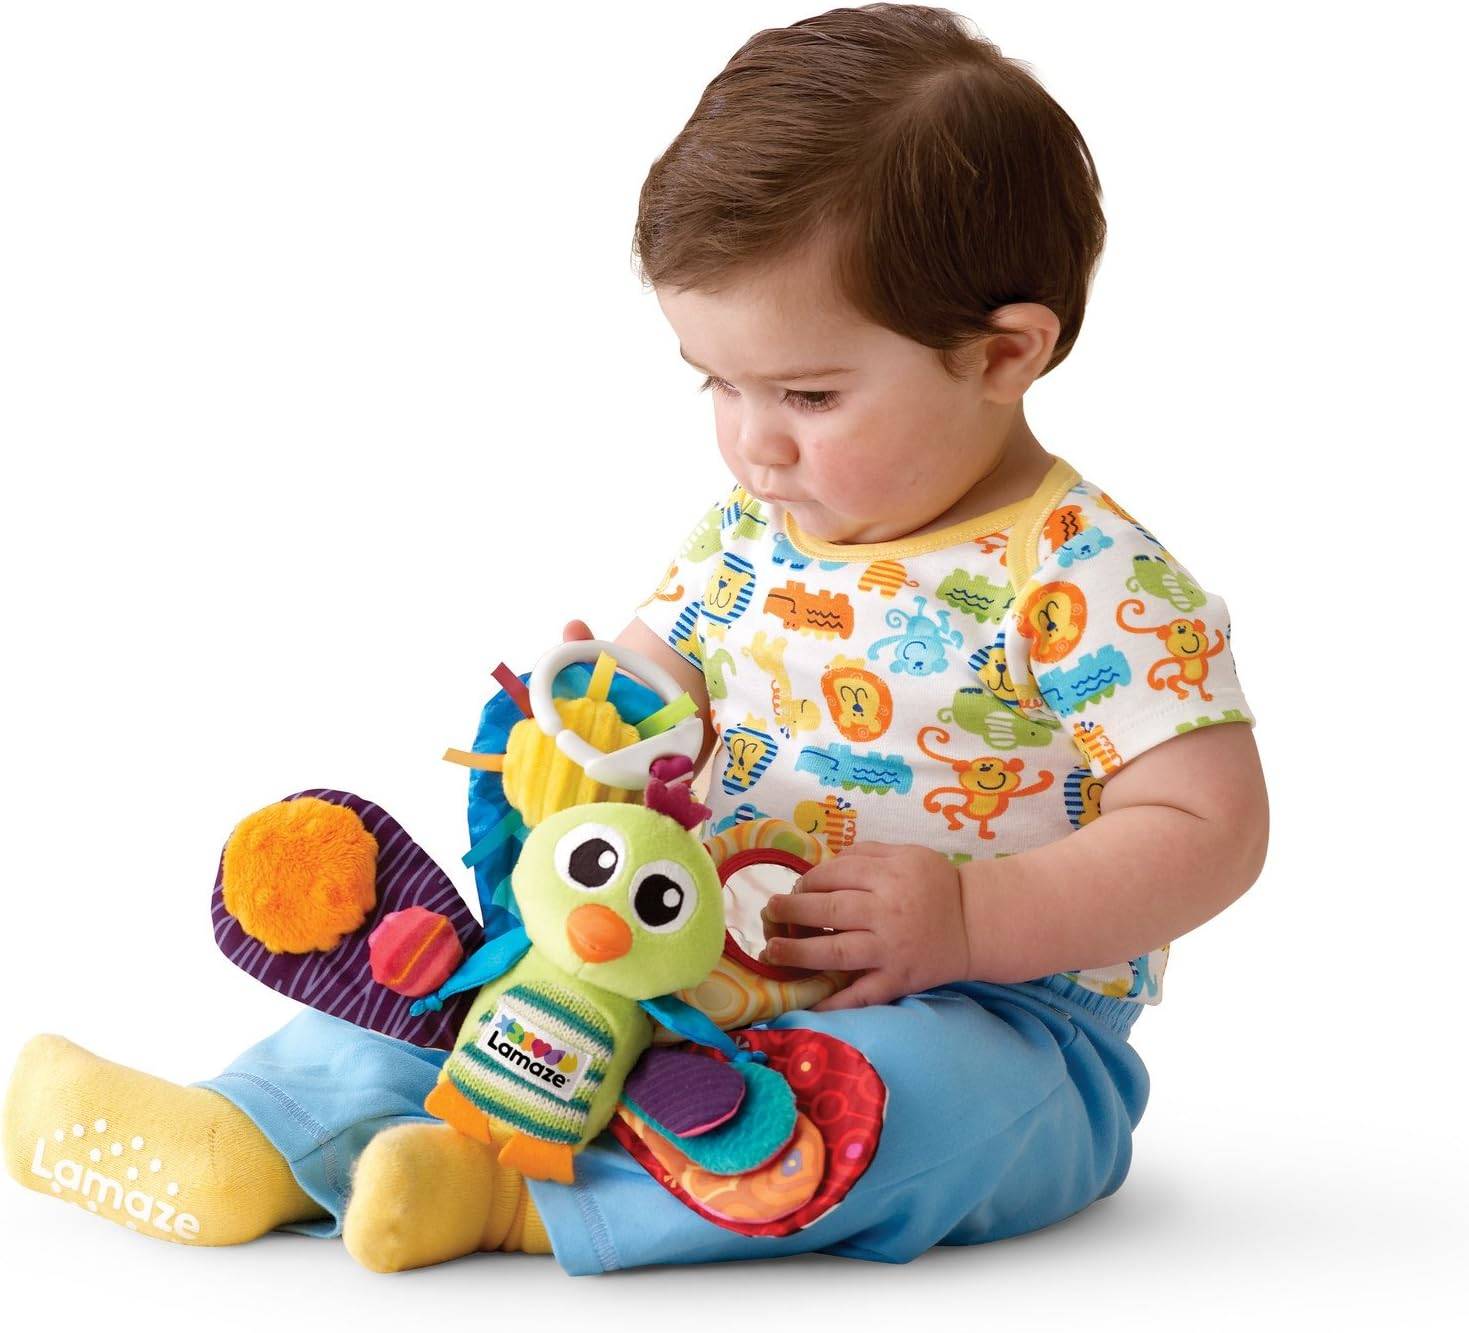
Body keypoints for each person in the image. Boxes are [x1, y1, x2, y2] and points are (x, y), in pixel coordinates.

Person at [2, 4, 1267, 1275]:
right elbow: (656, 677)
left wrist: (974, 918)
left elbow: (1210, 827)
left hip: (990, 1013)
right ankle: (251, 1129)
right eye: (715, 382)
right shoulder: (754, 530)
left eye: (808, 393)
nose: (752, 441)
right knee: (472, 981)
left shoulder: (1089, 579)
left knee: (910, 1106)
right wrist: (590, 727)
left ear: (1001, 353)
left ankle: (508, 1198)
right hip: (678, 957)